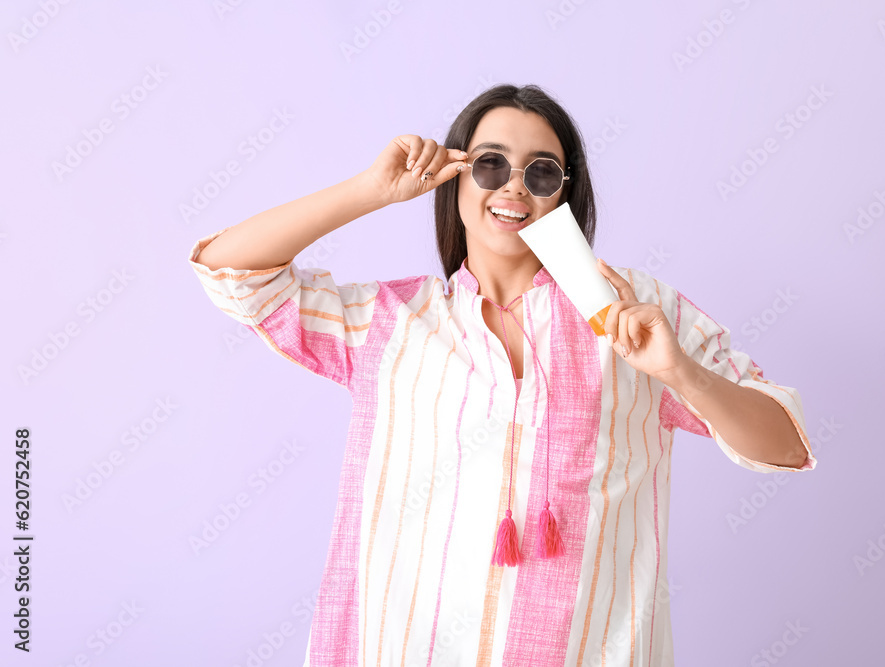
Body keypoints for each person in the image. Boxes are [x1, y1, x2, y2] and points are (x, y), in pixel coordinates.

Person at [187, 84, 817, 667]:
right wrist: (371, 190)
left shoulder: (637, 314)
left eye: (541, 171)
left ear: (565, 192)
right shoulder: (391, 322)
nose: (513, 188)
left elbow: (785, 444)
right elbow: (231, 272)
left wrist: (680, 372)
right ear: (455, 180)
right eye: (490, 164)